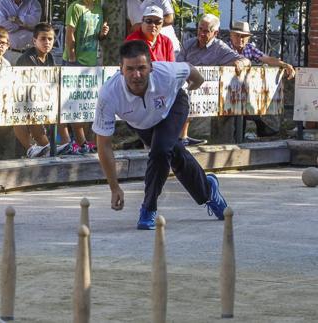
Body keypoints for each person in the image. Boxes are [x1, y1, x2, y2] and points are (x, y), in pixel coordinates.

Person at [93, 40, 228, 230]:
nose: (136, 75)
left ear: (151, 67)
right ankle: (208, 190)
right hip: (142, 122)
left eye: (142, 68)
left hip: (173, 106)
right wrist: (114, 187)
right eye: (130, 69)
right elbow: (104, 144)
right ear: (120, 69)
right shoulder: (109, 94)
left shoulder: (167, 73)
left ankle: (148, 207)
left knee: (161, 151)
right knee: (174, 154)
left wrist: (193, 87)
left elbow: (191, 71)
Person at [177, 14, 251, 146]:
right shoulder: (189, 44)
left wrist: (240, 63)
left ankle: (183, 137)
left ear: (215, 33)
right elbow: (178, 64)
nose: (202, 34)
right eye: (200, 29)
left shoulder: (220, 48)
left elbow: (244, 60)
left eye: (206, 31)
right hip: (185, 83)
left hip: (206, 91)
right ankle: (181, 137)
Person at [228, 20, 296, 138]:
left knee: (246, 108)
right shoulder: (224, 48)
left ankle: (244, 136)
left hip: (242, 91)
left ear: (248, 38)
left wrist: (285, 65)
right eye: (237, 35)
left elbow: (267, 59)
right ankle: (251, 130)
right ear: (231, 36)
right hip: (227, 90)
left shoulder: (249, 48)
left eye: (244, 36)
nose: (240, 39)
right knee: (236, 115)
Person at [15, 22, 71, 158]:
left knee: (62, 106)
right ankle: (42, 148)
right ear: (35, 41)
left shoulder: (50, 57)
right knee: (32, 113)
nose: (47, 42)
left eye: (50, 39)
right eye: (43, 39)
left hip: (44, 99)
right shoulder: (27, 58)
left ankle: (66, 144)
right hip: (24, 101)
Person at [61, 0, 109, 154]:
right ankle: (80, 143)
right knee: (74, 104)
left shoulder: (98, 8)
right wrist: (72, 56)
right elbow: (70, 32)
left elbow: (97, 36)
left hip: (92, 62)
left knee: (87, 103)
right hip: (75, 62)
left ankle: (86, 143)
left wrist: (102, 33)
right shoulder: (75, 7)